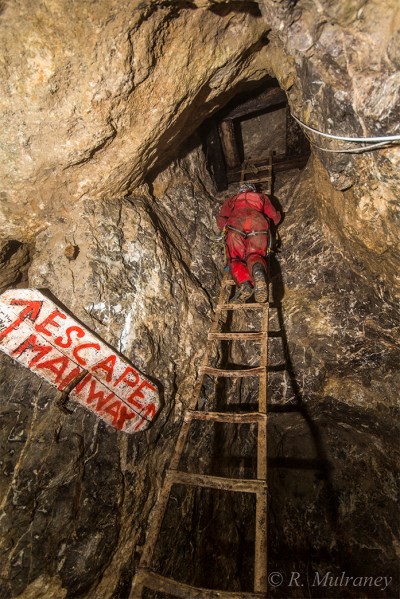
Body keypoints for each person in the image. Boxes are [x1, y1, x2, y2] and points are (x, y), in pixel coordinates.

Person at [216, 183, 281, 303]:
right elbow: (275, 217)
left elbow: (221, 219)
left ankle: (245, 284)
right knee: (255, 255)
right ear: (253, 190)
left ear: (241, 191)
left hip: (236, 225)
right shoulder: (261, 197)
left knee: (234, 259)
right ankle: (257, 271)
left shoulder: (232, 199)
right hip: (258, 223)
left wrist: (225, 228)